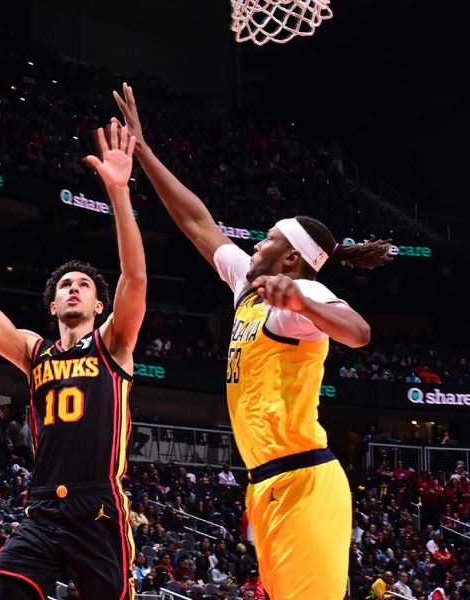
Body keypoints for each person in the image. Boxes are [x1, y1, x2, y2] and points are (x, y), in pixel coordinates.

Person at [114, 82, 391, 600]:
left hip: (304, 482)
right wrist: (144, 151)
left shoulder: (300, 294)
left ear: (290, 259)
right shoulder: (250, 283)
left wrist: (304, 303)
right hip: (265, 483)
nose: (255, 243)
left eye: (267, 238)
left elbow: (359, 332)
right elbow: (197, 222)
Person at [0, 125, 145, 599]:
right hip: (44, 508)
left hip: (99, 507)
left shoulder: (115, 343)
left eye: (84, 285)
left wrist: (119, 192)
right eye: (65, 285)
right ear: (52, 307)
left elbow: (135, 275)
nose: (73, 287)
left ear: (99, 307)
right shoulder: (33, 351)